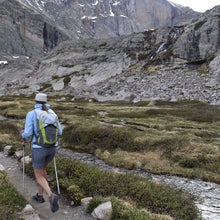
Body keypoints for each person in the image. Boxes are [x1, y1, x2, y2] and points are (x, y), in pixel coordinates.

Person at [22, 93, 62, 213]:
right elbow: (59, 132)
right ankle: (40, 196)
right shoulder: (52, 113)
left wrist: (22, 136)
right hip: (52, 148)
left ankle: (50, 195)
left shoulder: (32, 114)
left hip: (39, 148)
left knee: (38, 174)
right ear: (46, 101)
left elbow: (28, 133)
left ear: (35, 101)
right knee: (43, 170)